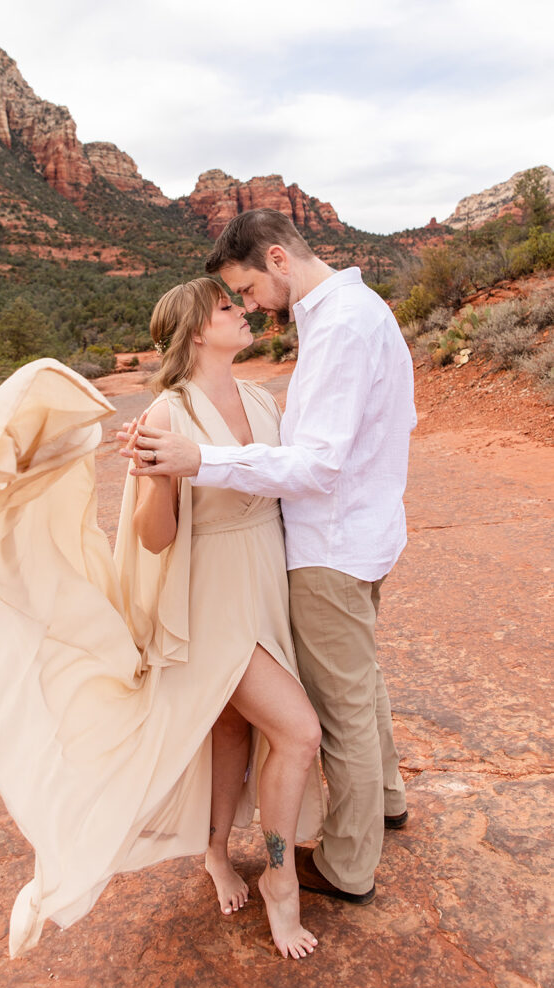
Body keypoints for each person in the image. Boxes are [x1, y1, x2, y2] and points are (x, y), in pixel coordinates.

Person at [0, 277, 325, 961]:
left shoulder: (260, 397)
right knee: (297, 731)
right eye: (228, 307)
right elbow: (154, 538)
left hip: (263, 581)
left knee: (228, 728)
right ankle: (280, 880)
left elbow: (284, 483)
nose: (244, 312)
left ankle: (217, 852)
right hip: (208, 600)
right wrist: (162, 478)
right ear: (196, 330)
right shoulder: (166, 415)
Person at [122, 209, 417, 904]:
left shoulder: (337, 327)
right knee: (355, 687)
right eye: (232, 303)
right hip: (345, 539)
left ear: (278, 259)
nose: (250, 306)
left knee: (335, 713)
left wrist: (202, 459)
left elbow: (311, 464)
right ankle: (384, 803)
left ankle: (346, 863)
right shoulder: (349, 312)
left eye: (246, 290)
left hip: (329, 545)